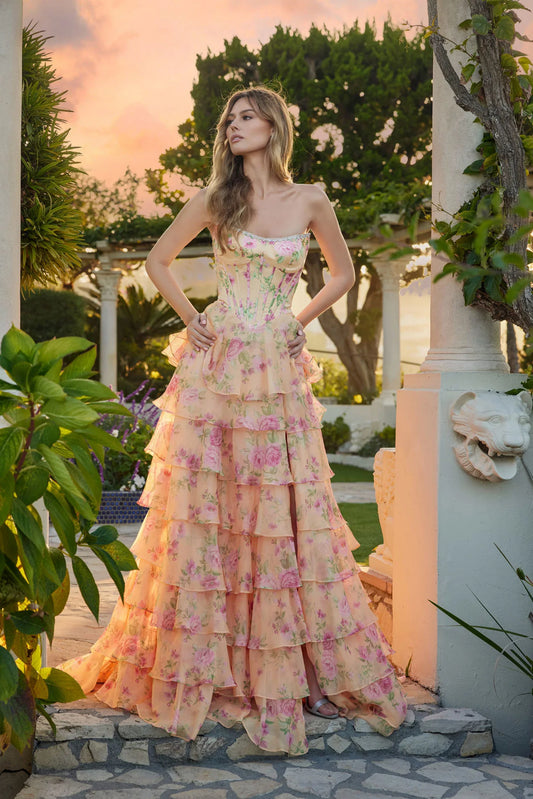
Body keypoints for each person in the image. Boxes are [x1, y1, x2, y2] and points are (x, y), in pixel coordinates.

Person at [61, 86, 407, 755]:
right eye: (229, 119)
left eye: (246, 116)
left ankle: (278, 662)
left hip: (274, 364)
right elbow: (157, 261)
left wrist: (296, 325)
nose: (234, 126)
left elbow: (341, 272)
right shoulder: (216, 200)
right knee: (208, 506)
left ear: (275, 125)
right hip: (218, 365)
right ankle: (203, 662)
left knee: (277, 506)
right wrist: (193, 322)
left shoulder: (310, 198)